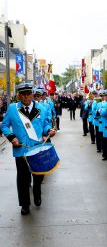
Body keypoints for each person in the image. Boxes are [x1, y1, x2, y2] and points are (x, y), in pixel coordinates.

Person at [1, 83, 56, 215]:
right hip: (21, 149)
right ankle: (25, 204)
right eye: (23, 94)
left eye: (28, 94)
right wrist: (12, 137)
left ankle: (37, 192)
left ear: (32, 94)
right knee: (23, 178)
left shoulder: (41, 108)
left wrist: (49, 130)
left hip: (38, 149)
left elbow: (45, 125)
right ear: (19, 96)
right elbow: (4, 126)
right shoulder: (13, 109)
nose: (26, 97)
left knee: (38, 177)